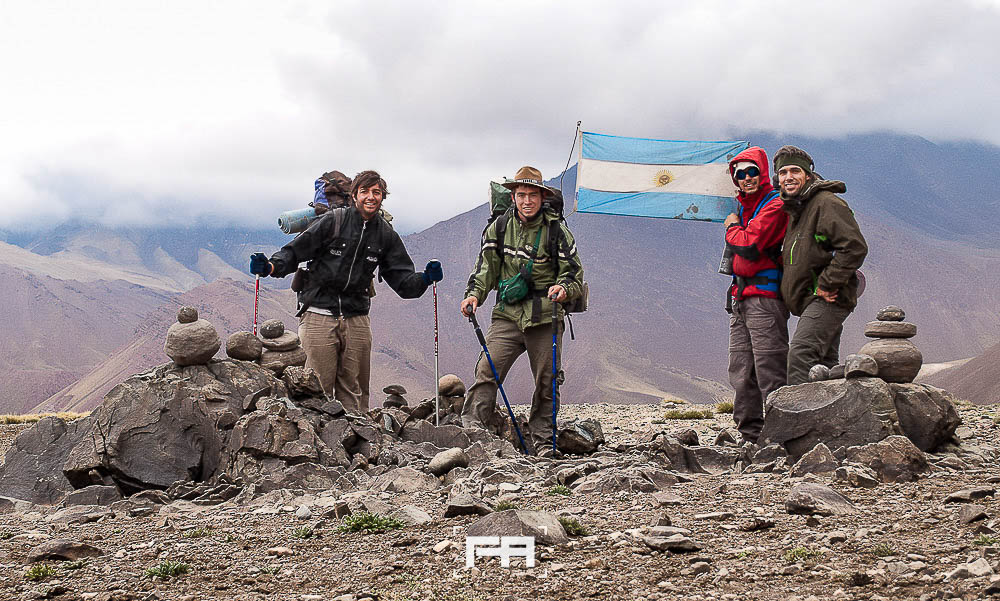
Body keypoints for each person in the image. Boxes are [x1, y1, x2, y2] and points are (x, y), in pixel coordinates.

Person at [250, 170, 442, 412]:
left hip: (357, 318)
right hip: (318, 313)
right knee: (315, 389)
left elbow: (403, 282)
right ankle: (315, 435)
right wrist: (270, 266)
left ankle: (358, 435)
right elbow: (296, 251)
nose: (371, 197)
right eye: (365, 191)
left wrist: (425, 278)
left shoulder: (385, 234)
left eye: (376, 192)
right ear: (354, 195)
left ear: (383, 197)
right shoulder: (334, 221)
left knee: (354, 391)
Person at [460, 166, 584, 456]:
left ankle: (543, 442)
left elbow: (574, 275)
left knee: (547, 380)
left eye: (532, 195)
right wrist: (473, 295)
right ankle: (472, 432)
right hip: (508, 314)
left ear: (542, 197)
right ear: (513, 196)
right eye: (521, 195)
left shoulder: (557, 232)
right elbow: (485, 268)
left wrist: (564, 289)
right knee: (488, 369)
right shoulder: (500, 228)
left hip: (545, 317)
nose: (527, 201)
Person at [774, 146, 868, 385]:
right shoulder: (798, 208)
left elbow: (854, 247)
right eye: (783, 172)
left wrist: (827, 283)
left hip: (828, 297)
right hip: (811, 298)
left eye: (795, 171)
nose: (788, 177)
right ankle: (835, 409)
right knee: (824, 367)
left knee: (800, 357)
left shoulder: (826, 203)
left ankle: (796, 409)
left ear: (808, 175)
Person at [721, 147, 789, 443]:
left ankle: (781, 437)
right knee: (741, 369)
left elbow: (749, 244)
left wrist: (732, 227)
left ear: (763, 173)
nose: (747, 178)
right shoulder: (745, 207)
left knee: (769, 368)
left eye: (752, 171)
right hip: (741, 297)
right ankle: (749, 437)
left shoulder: (774, 204)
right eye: (740, 174)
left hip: (765, 298)